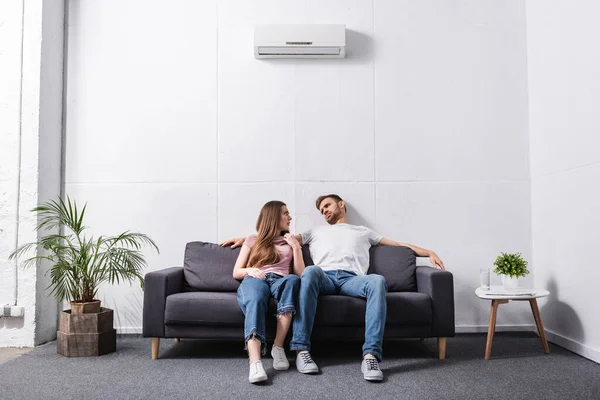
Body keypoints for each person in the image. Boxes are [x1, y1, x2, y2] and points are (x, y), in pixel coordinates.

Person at [222, 194, 445, 382]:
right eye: (321, 210)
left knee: (377, 280)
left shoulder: (363, 231)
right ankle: (301, 350)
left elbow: (397, 245)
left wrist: (427, 252)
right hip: (324, 277)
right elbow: (273, 237)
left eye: (327, 206)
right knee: (308, 272)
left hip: (353, 279)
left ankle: (371, 357)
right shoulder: (315, 231)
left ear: (341, 204)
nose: (324, 211)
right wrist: (245, 240)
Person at [231, 200, 305, 384]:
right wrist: (250, 270)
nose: (290, 217)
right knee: (255, 299)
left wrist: (296, 246)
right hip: (257, 278)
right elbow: (236, 271)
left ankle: (278, 347)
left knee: (293, 281)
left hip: (282, 280)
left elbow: (301, 274)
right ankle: (255, 362)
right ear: (273, 217)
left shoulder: (291, 240)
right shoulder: (252, 240)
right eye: (285, 213)